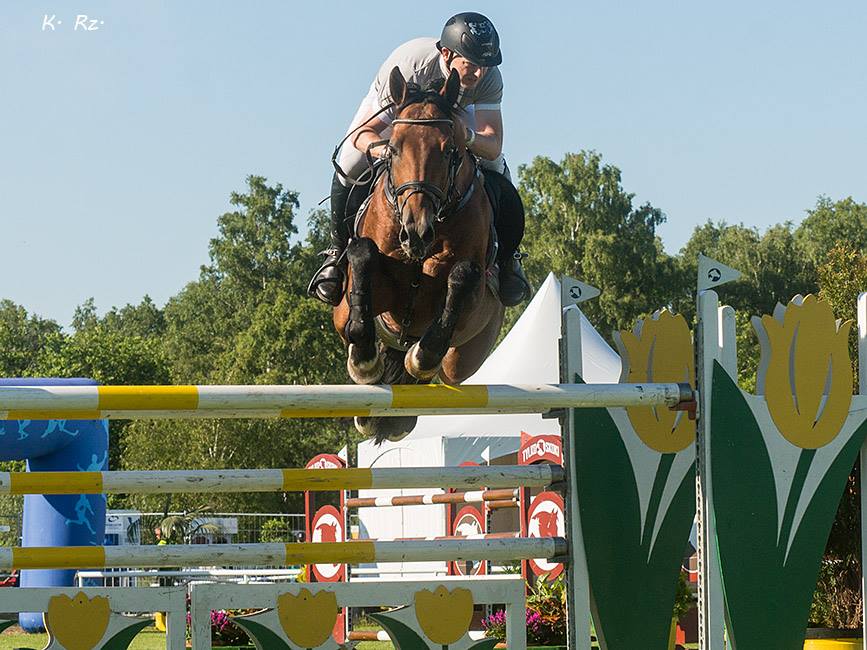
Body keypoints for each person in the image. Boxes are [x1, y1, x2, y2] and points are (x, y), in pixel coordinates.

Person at [308, 11, 530, 307]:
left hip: (452, 114)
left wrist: (469, 138)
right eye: (473, 65)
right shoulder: (411, 65)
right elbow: (364, 133)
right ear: (447, 53)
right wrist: (383, 150)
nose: (480, 74)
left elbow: (493, 143)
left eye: (486, 66)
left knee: (499, 171)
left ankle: (508, 261)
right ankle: (336, 254)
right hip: (400, 112)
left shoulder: (488, 78)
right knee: (349, 162)